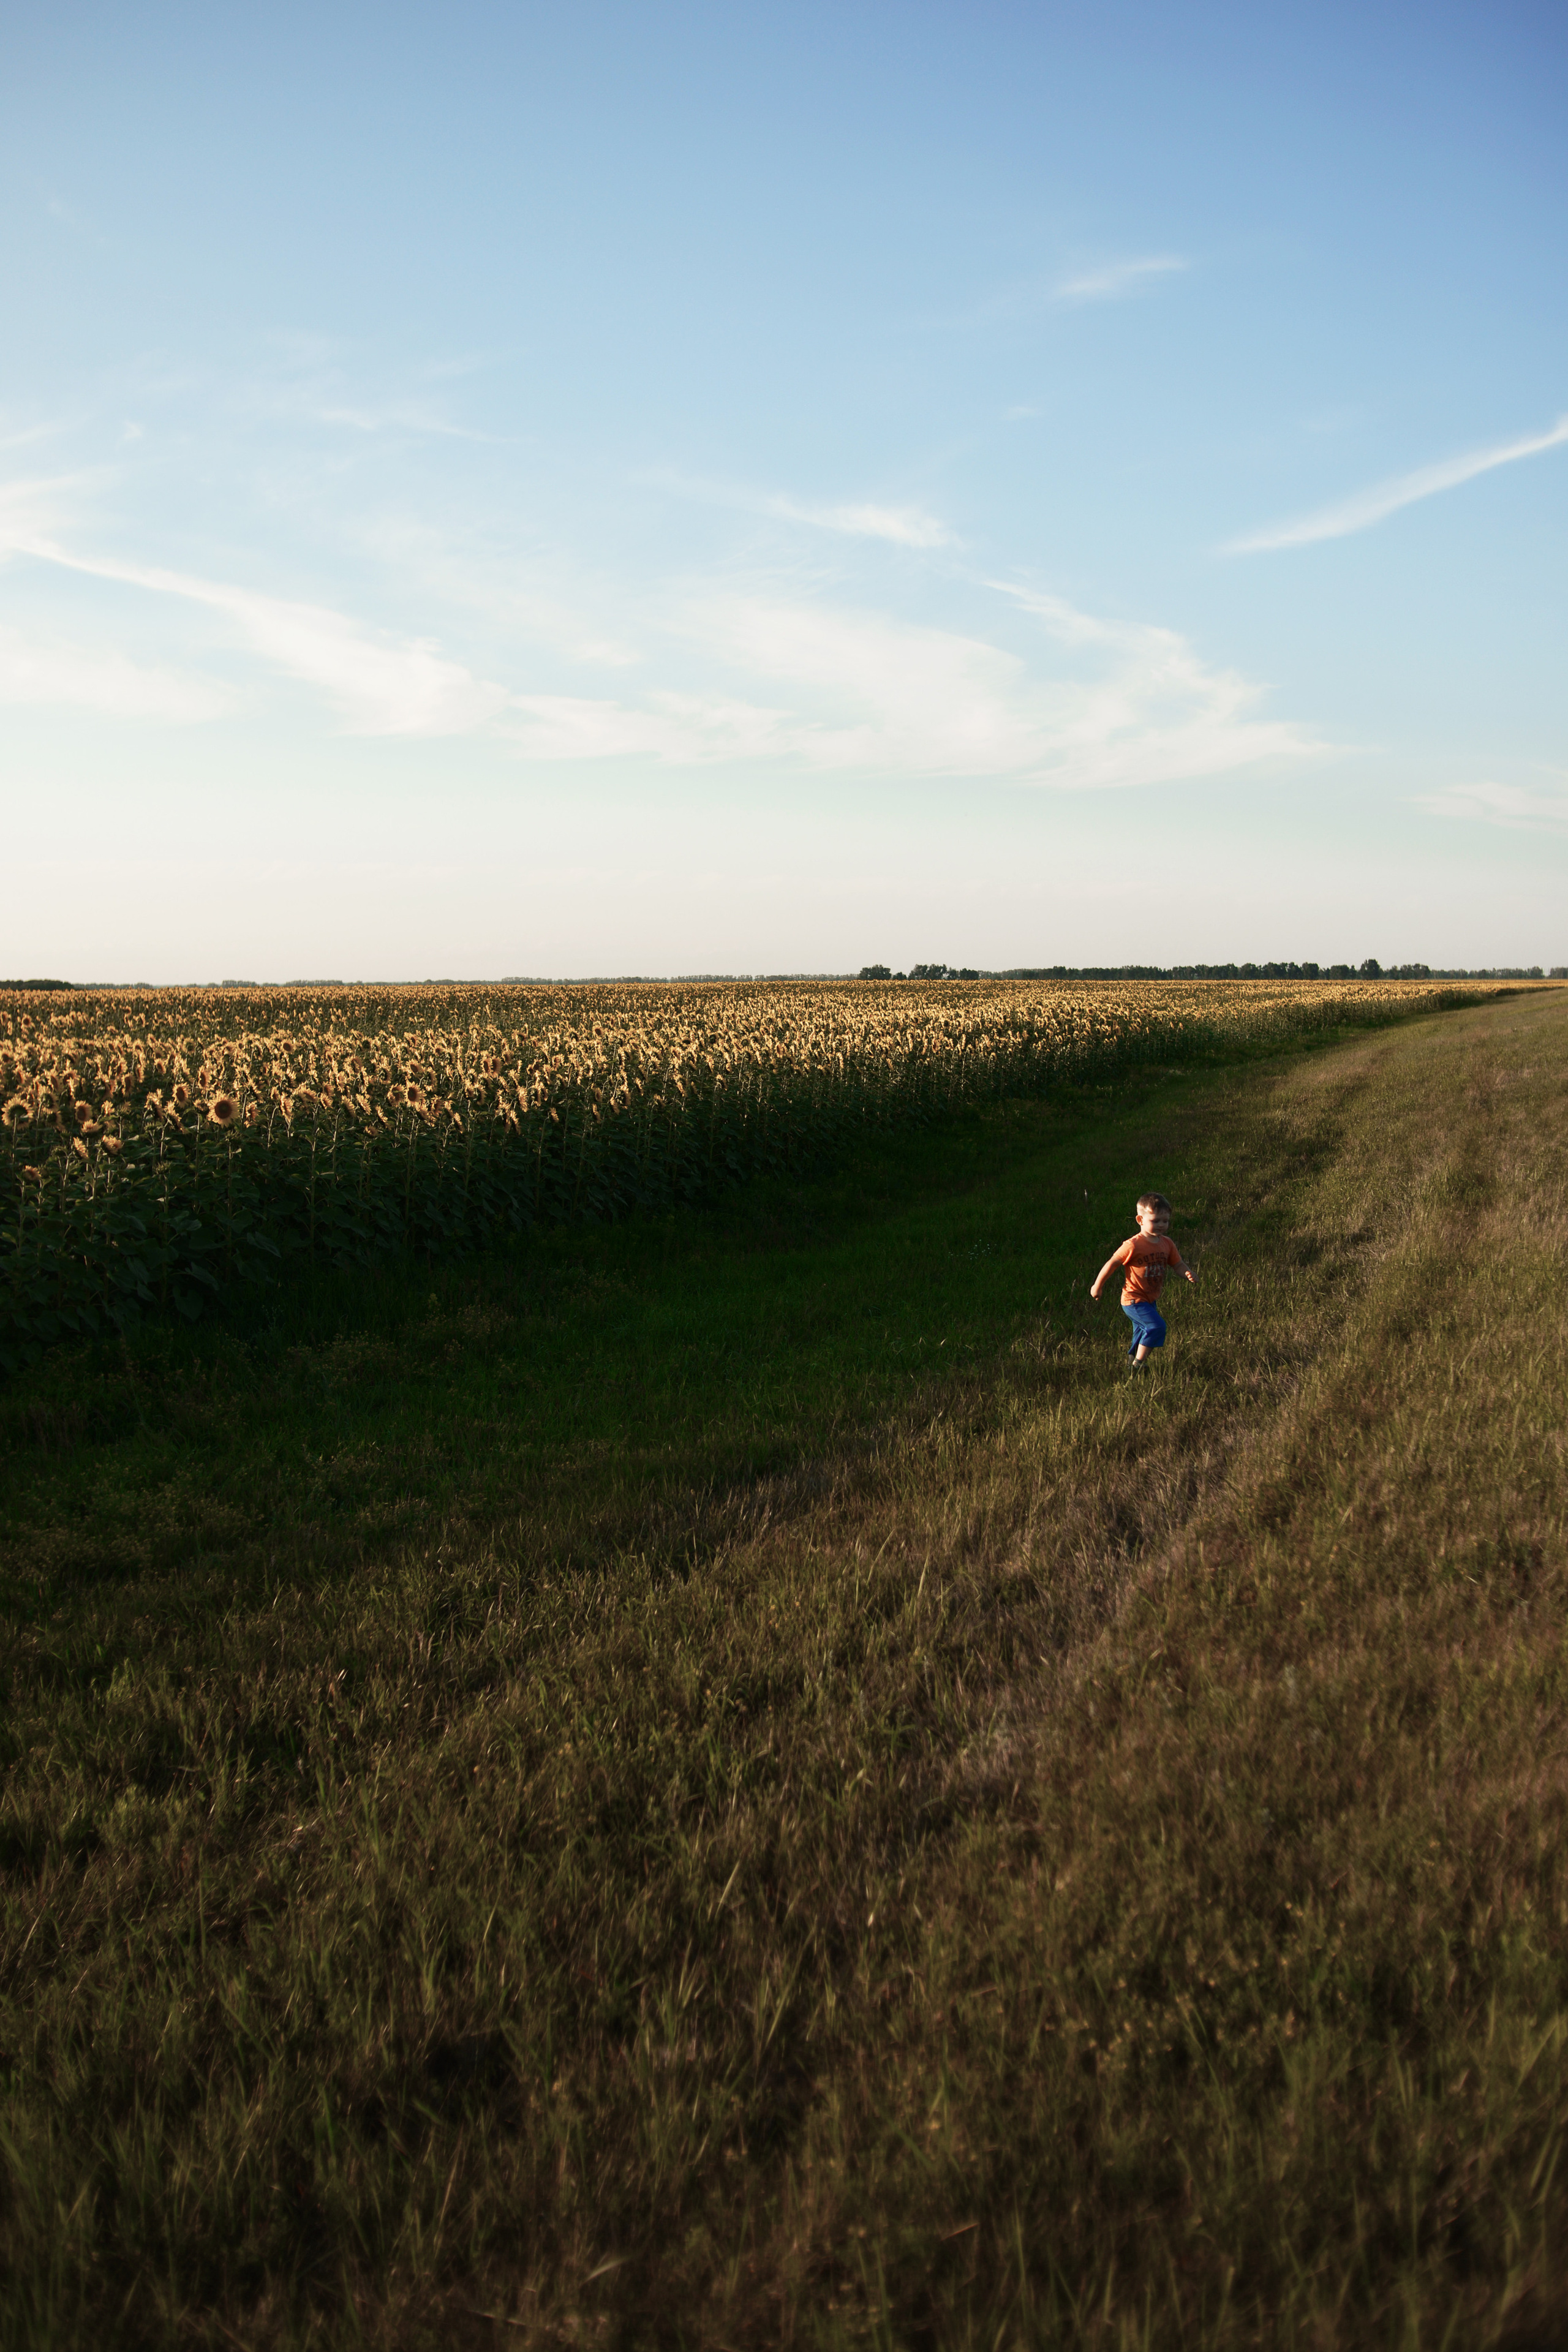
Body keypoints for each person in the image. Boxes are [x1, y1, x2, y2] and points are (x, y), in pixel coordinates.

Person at [1090, 1191, 1197, 1366]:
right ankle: (1139, 1364)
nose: (1162, 1225)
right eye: (1156, 1221)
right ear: (1140, 1220)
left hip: (1150, 1299)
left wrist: (1187, 1273)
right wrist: (1097, 1286)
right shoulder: (1133, 1245)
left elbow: (1177, 1264)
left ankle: (1131, 1360)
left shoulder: (1167, 1244)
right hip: (1133, 1299)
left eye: (1166, 1221)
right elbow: (1112, 1263)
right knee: (1157, 1327)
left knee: (1141, 1331)